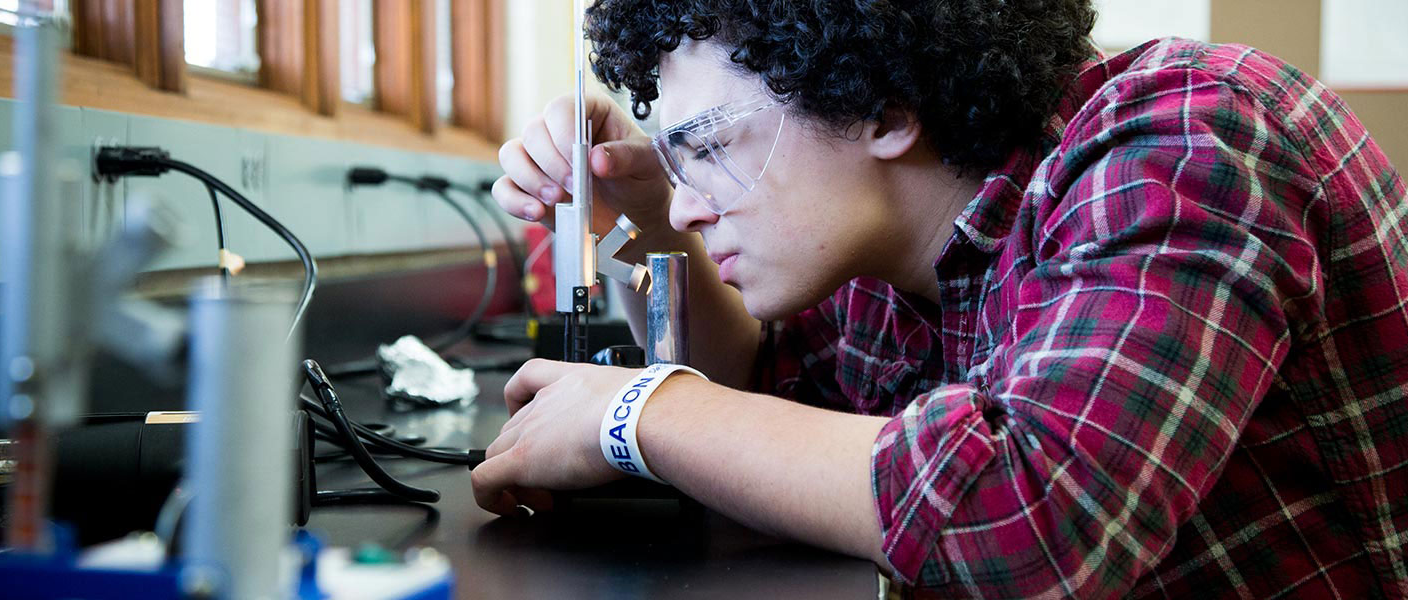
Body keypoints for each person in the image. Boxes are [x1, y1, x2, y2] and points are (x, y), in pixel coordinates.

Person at [473, 1, 1408, 597]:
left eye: (708, 148)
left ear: (880, 105)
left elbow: (1040, 519)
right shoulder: (891, 243)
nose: (687, 200)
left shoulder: (1193, 136)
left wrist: (634, 412)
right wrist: (633, 199)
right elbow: (774, 410)